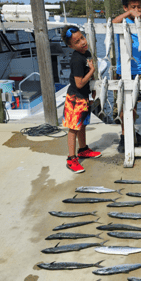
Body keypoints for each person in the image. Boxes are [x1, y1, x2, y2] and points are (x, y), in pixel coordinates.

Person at [61, 25, 102, 173]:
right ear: (71, 46)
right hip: (75, 98)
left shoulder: (87, 53)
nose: (83, 42)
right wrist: (92, 71)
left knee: (83, 125)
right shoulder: (77, 59)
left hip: (84, 97)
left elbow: (86, 80)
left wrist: (94, 88)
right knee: (73, 129)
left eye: (82, 38)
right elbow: (78, 83)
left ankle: (83, 149)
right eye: (77, 42)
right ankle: (71, 159)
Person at [113, 0, 141, 152]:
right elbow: (112, 23)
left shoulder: (139, 22)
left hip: (139, 70)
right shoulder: (123, 22)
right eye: (133, 7)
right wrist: (128, 14)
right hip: (124, 70)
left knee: (134, 105)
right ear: (125, 8)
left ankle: (131, 130)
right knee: (124, 104)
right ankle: (124, 135)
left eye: (138, 7)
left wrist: (140, 18)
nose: (136, 10)